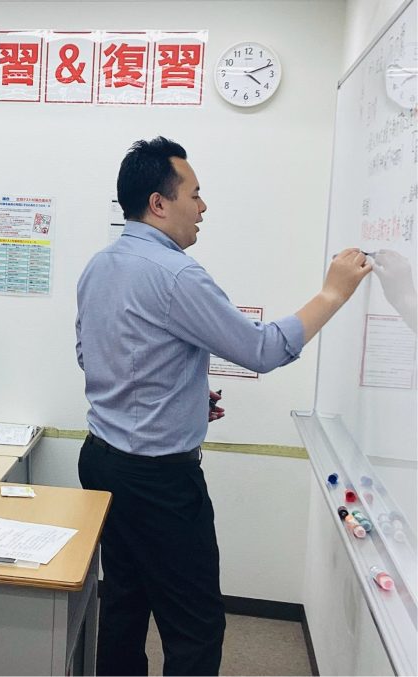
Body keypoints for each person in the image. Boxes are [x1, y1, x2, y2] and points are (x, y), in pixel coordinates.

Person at [75, 136, 371, 676]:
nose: (203, 207)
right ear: (159, 203)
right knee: (195, 627)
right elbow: (261, 350)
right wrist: (332, 294)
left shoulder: (101, 264)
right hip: (158, 481)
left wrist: (181, 395)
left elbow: (93, 356)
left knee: (123, 603)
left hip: (100, 460)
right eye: (194, 194)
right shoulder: (176, 274)